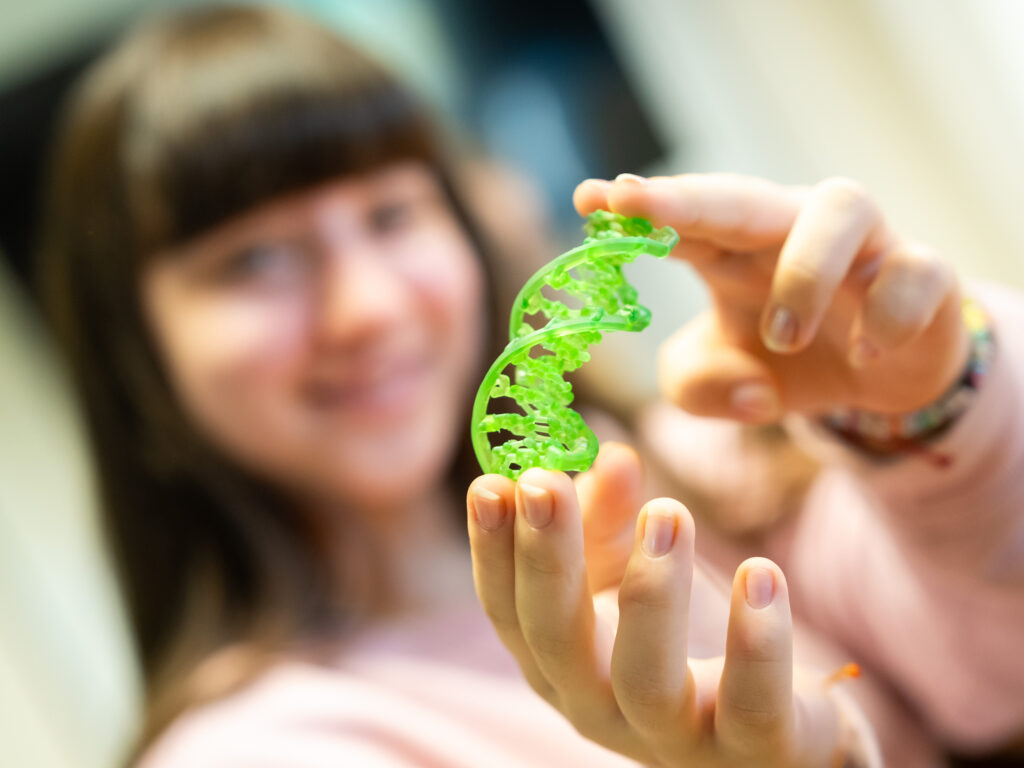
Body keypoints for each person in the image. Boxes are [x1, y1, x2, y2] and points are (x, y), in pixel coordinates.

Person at [35, 4, 1016, 767]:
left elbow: (990, 664)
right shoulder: (264, 750)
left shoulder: (708, 473)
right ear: (136, 354)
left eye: (391, 215)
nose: (367, 307)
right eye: (251, 261)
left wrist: (937, 397)